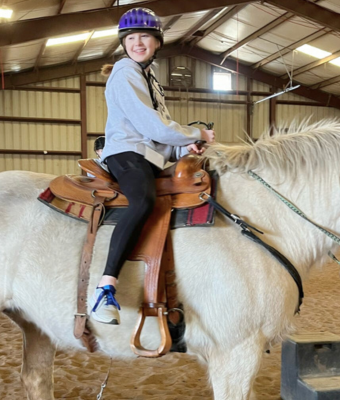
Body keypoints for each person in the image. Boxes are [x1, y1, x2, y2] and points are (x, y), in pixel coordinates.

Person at [90, 7, 216, 325]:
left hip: (146, 155)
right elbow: (152, 127)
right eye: (131, 38)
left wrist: (184, 145)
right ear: (124, 43)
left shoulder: (150, 79)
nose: (137, 43)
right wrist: (197, 133)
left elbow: (160, 133)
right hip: (126, 154)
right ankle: (105, 288)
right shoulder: (125, 72)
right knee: (143, 201)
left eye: (144, 36)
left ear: (157, 42)